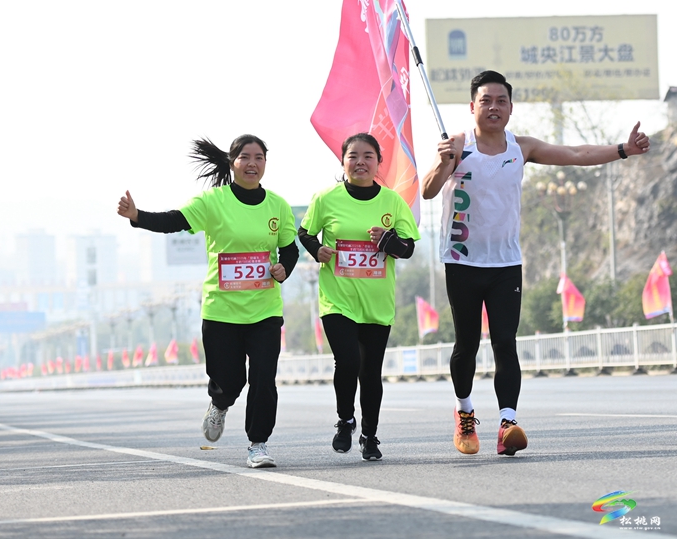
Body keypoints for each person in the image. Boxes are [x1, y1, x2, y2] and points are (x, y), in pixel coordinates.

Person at [421, 70, 650, 457]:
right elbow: (427, 191)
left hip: (507, 263)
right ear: (472, 106)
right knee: (467, 344)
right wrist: (444, 163)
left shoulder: (520, 147)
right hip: (462, 261)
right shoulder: (457, 145)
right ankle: (464, 412)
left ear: (510, 107)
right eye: (486, 100)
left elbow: (576, 155)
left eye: (501, 101)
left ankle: (508, 422)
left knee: (505, 343)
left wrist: (623, 149)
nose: (494, 107)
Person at [117, 134, 298, 469]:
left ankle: (258, 444)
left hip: (265, 309)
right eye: (245, 157)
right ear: (232, 163)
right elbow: (175, 220)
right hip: (221, 310)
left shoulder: (278, 205)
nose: (252, 163)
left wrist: (284, 267)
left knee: (263, 377)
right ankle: (219, 403)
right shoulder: (214, 202)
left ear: (265, 164)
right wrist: (138, 215)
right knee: (230, 380)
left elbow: (289, 247)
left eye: (259, 157)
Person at [299, 133, 420, 461]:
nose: (361, 162)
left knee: (370, 373)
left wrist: (388, 240)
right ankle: (345, 420)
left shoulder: (393, 202)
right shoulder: (326, 198)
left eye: (368, 156)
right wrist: (317, 250)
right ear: (343, 162)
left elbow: (407, 248)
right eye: (353, 156)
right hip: (337, 298)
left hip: (377, 302)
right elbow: (304, 232)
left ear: (379, 162)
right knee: (348, 361)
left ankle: (370, 435)